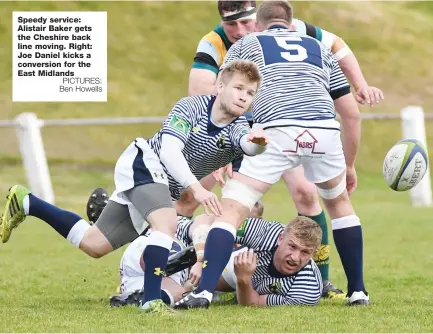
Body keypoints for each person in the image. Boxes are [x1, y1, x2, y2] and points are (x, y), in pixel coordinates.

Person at [0, 59, 268, 314]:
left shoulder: (239, 127)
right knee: (167, 223)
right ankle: (151, 303)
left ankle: (26, 201)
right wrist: (196, 188)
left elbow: (246, 144)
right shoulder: (192, 107)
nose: (244, 96)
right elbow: (169, 150)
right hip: (144, 161)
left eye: (250, 92)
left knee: (94, 244)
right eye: (238, 88)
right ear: (220, 86)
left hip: (162, 186)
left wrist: (256, 142)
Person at [174, 1, 369, 310]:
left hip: (275, 129)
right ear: (291, 24)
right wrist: (349, 164)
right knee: (340, 205)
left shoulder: (248, 44)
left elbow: (224, 96)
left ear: (258, 25)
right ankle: (358, 291)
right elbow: (352, 115)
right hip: (323, 130)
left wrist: (222, 146)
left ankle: (203, 292)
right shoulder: (318, 46)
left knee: (232, 210)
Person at [112, 205, 324, 307]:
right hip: (180, 237)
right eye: (292, 247)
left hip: (183, 276)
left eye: (305, 252)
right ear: (280, 238)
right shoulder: (263, 232)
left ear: (314, 254)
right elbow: (208, 219)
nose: (295, 257)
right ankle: (131, 223)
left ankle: (139, 292)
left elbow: (252, 303)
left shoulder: (308, 288)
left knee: (176, 294)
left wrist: (243, 280)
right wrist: (200, 257)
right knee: (158, 256)